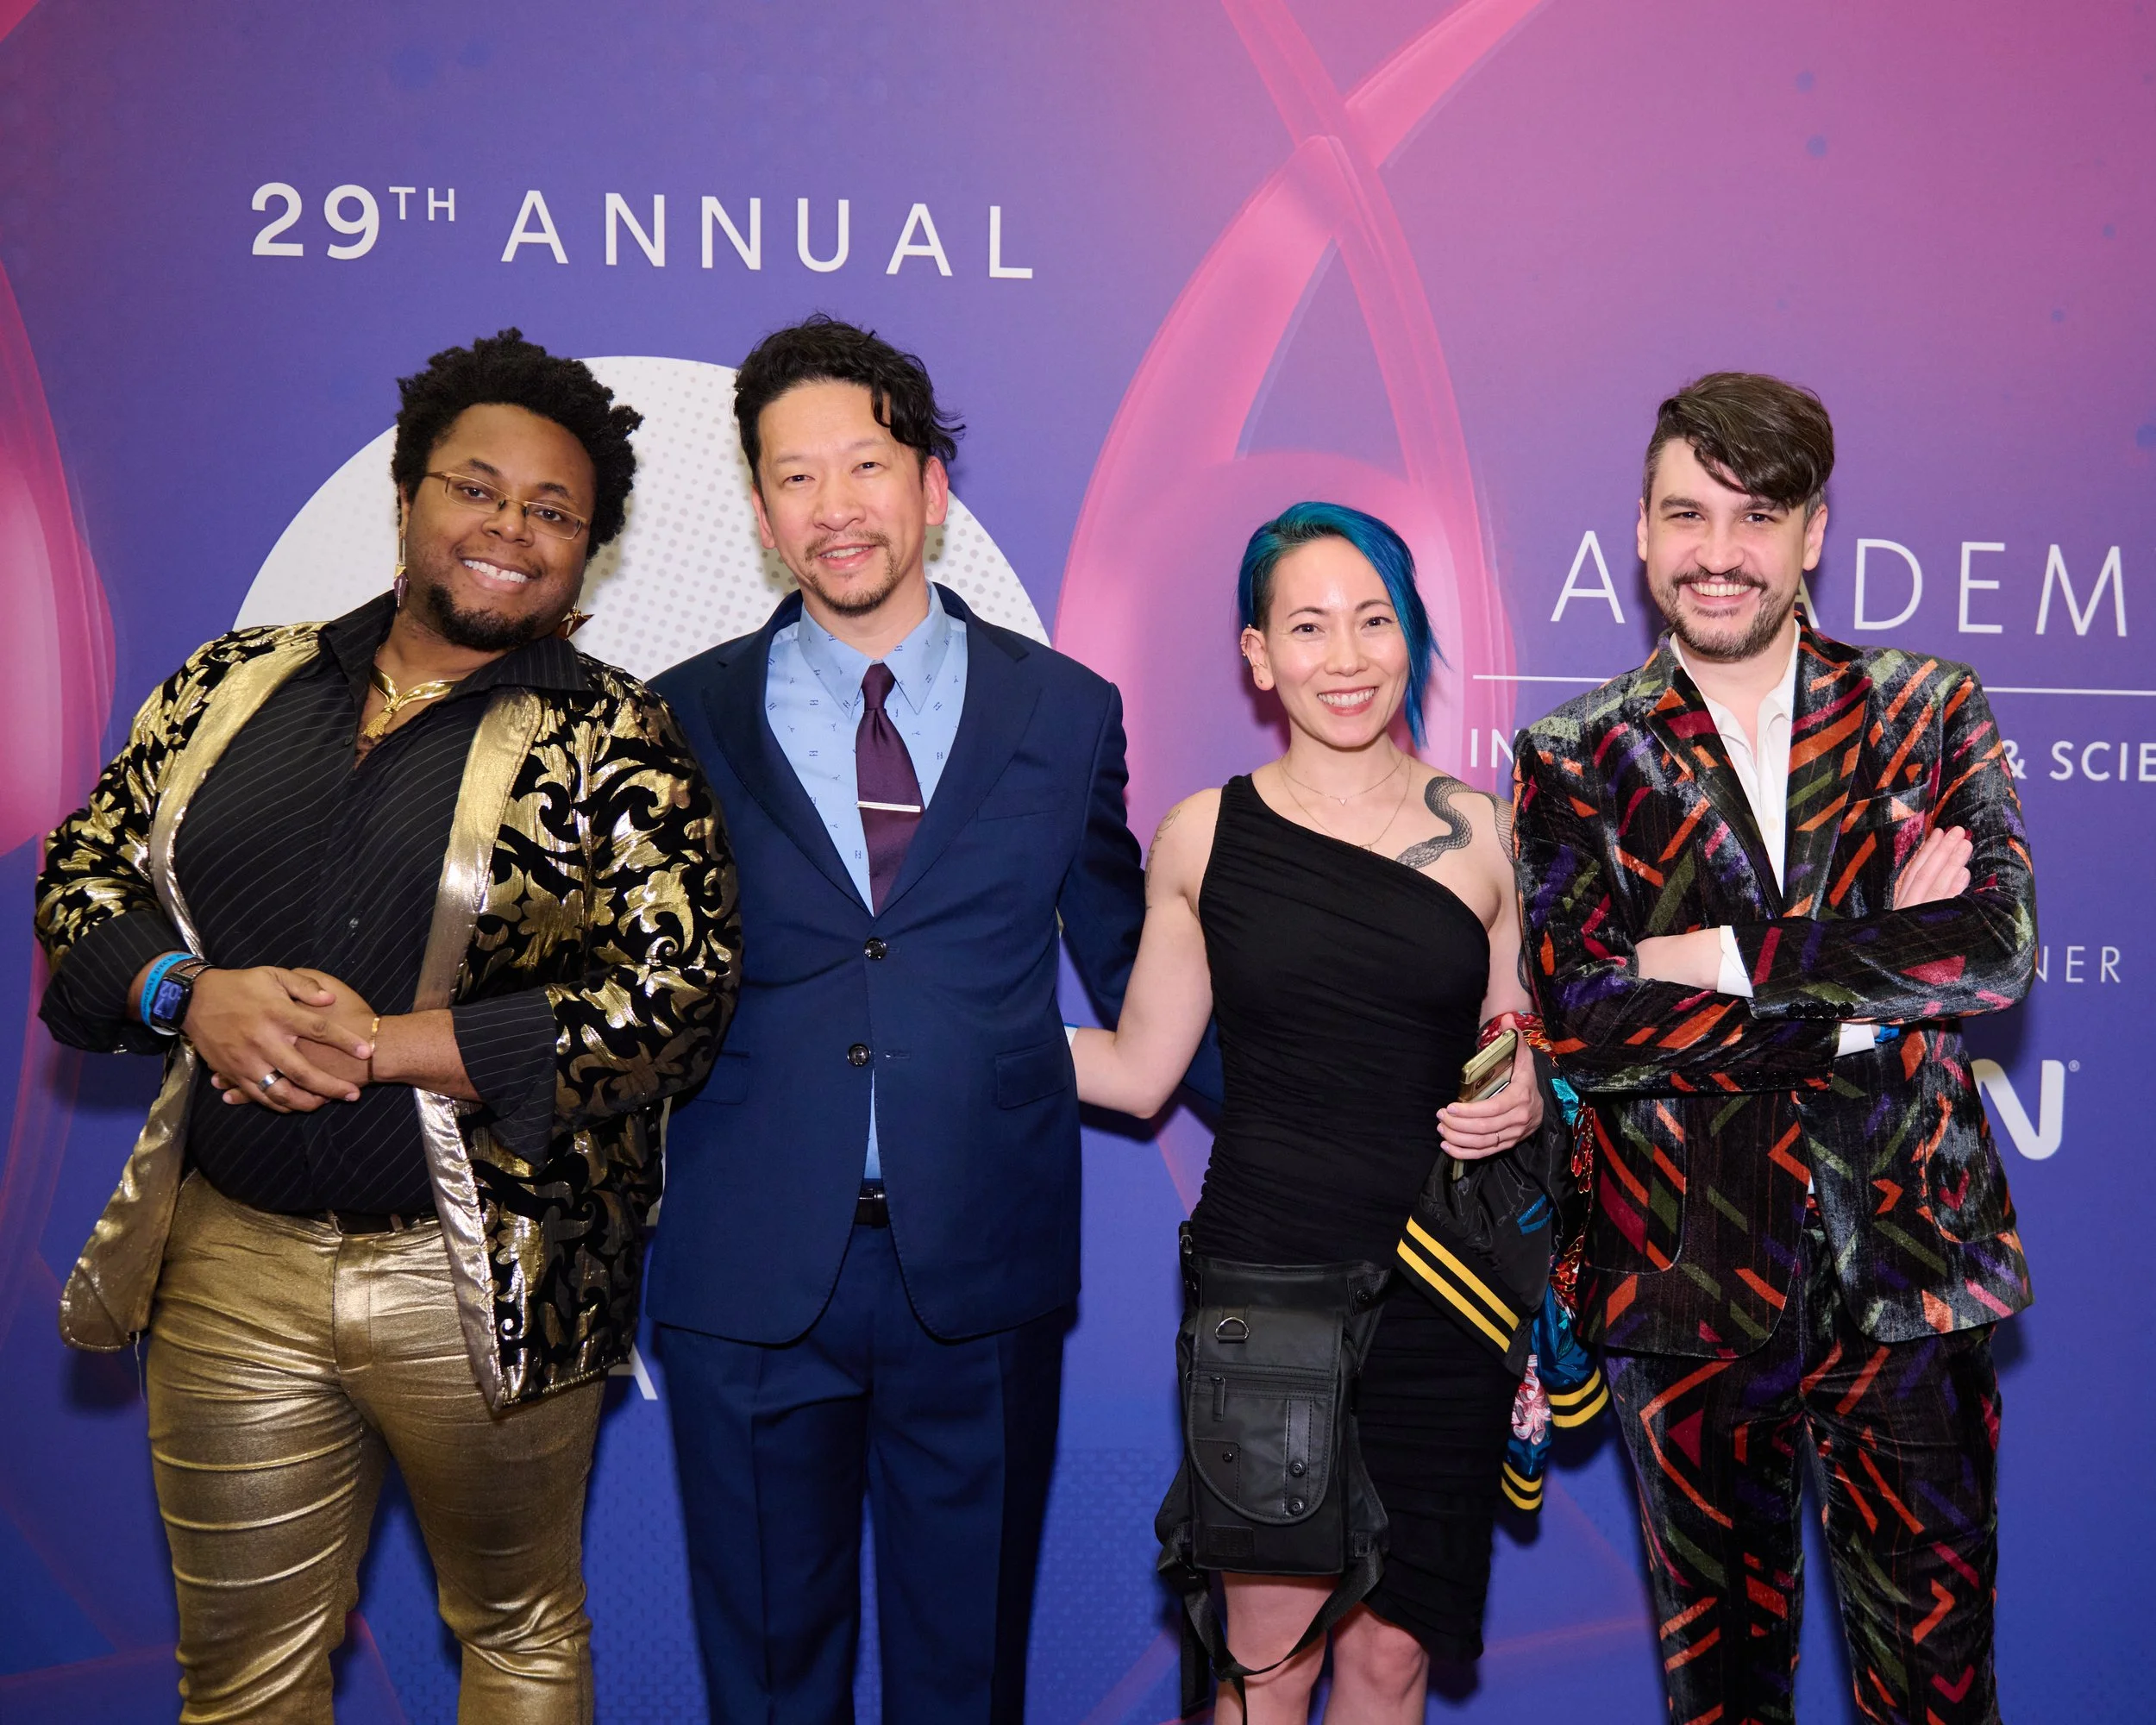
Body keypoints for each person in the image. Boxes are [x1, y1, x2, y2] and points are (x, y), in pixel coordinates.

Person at [34, 329, 740, 1724]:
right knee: (243, 1675)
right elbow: (85, 871)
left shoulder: (619, 742)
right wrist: (191, 995)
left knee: (521, 1632)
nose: (511, 531)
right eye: (478, 491)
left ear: (586, 553)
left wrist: (396, 1047)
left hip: (484, 1274)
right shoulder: (233, 682)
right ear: (410, 499)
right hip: (229, 1268)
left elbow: (682, 995)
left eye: (554, 514)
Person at [650, 315, 1209, 1721]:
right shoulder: (676, 717)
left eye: (866, 465)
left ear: (932, 487)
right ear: (764, 511)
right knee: (770, 1683)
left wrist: (1333, 1109)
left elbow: (1135, 951)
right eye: (794, 477)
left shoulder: (1065, 711)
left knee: (966, 1680)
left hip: (980, 1274)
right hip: (750, 1277)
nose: (835, 507)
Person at [1512, 373, 2035, 1725]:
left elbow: (1991, 946)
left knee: (1939, 1694)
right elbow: (1588, 1015)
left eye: (1759, 515)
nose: (1719, 552)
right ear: (1638, 532)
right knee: (1725, 1705)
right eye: (1686, 513)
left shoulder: (1927, 709)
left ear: (1814, 534)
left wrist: (1724, 957)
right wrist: (1872, 976)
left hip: (1910, 1279)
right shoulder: (1575, 755)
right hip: (1686, 1294)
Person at [1073, 502, 1552, 1723]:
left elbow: (1515, 1054)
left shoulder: (1488, 836)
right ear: (1256, 655)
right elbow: (1138, 1071)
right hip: (1268, 1288)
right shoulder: (1201, 836)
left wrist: (1524, 1095)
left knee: (1395, 1655)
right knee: (1268, 1656)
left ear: (1412, 637)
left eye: (1374, 620)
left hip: (1446, 1289)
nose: (1346, 658)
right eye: (1308, 626)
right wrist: (950, 1029)